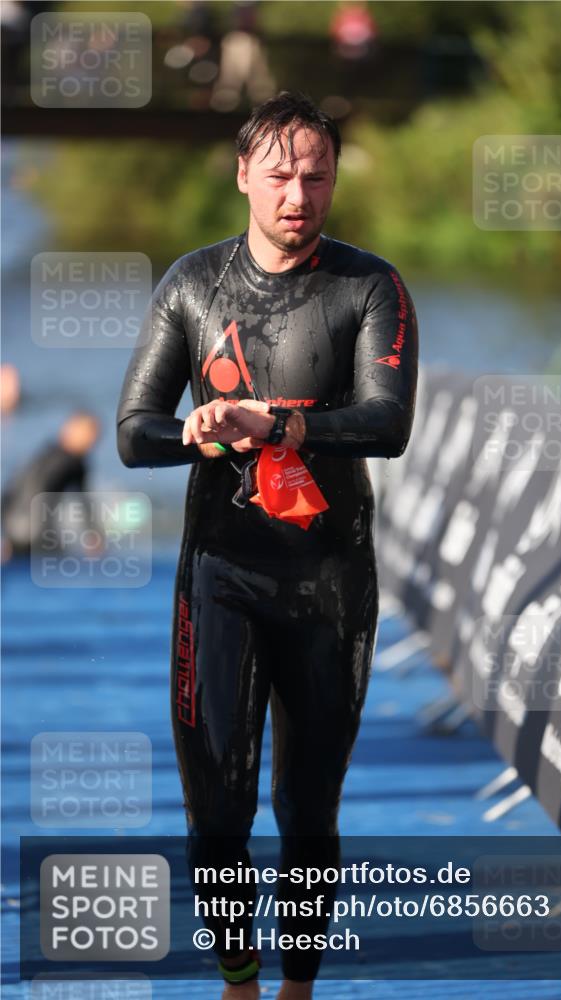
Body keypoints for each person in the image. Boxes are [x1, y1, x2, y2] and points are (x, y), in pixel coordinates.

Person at [116, 91, 418, 999]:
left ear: (333, 181)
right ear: (243, 174)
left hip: (330, 579)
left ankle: (299, 986)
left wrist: (274, 422)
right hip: (220, 574)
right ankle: (238, 979)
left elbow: (385, 423)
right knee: (217, 806)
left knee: (304, 805)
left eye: (316, 175)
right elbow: (135, 432)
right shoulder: (191, 284)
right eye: (280, 174)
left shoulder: (369, 286)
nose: (298, 194)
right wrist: (207, 434)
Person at [2, 411, 100, 562]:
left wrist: (7, 536)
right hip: (38, 534)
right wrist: (94, 537)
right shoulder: (76, 463)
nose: (93, 443)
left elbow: (11, 491)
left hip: (13, 529)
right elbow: (83, 503)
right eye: (92, 436)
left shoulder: (45, 453)